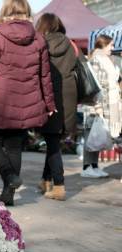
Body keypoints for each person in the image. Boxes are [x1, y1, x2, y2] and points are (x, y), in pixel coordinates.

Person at [0, 0, 56, 206]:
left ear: (6, 12)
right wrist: (50, 104)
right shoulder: (39, 39)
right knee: (14, 148)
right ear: (27, 12)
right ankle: (9, 194)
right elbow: (45, 76)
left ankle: (9, 176)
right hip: (25, 104)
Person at [34, 13, 77, 201]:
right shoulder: (69, 43)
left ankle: (59, 185)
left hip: (49, 95)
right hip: (68, 95)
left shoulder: (39, 44)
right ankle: (45, 179)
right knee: (54, 140)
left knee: (52, 143)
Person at [82, 35, 122, 178]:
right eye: (111, 45)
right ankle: (87, 167)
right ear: (103, 45)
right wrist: (97, 105)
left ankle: (94, 166)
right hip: (96, 104)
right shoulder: (96, 60)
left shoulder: (107, 60)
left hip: (106, 103)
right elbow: (95, 85)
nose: (112, 48)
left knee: (99, 135)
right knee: (91, 135)